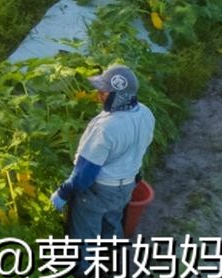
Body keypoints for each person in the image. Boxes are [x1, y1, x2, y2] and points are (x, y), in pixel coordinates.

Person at [53, 64, 156, 248]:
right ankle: (112, 261)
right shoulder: (145, 114)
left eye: (104, 92)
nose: (99, 95)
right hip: (126, 186)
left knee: (85, 234)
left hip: (99, 190)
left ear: (120, 96)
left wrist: (63, 194)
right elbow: (141, 147)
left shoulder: (105, 127)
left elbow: (86, 172)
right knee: (112, 222)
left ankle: (84, 272)